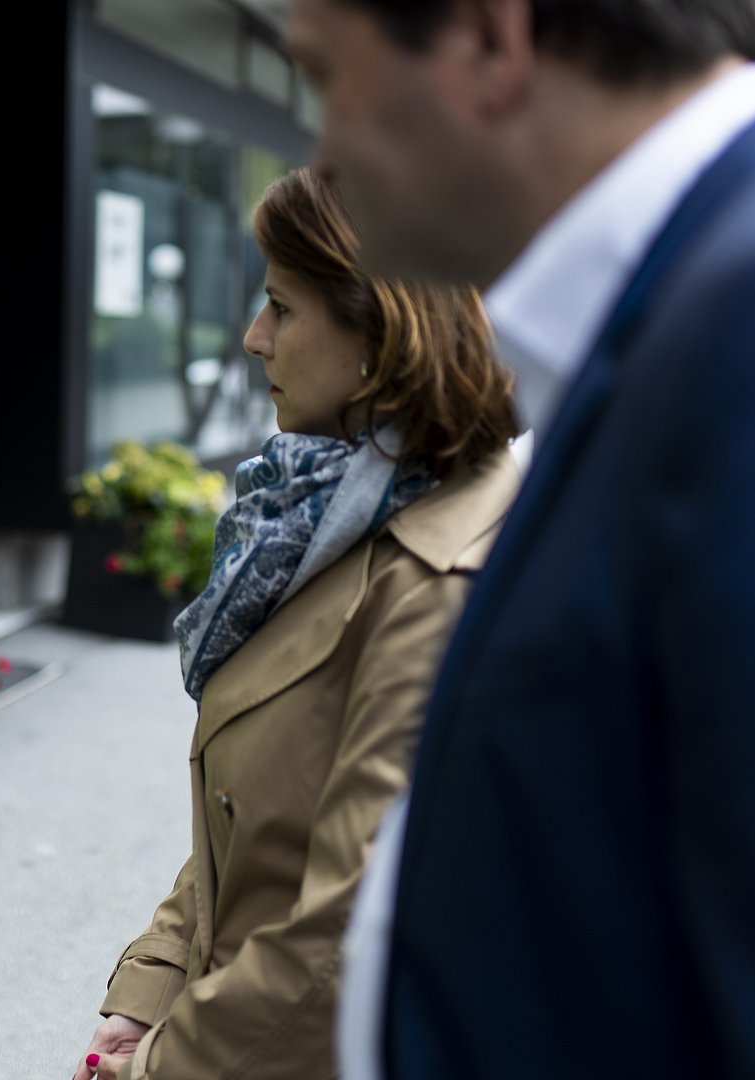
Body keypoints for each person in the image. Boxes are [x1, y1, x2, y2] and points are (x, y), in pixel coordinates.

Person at [282, 1, 755, 1077]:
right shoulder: (667, 314)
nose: (322, 151)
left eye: (325, 77)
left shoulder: (730, 333)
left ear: (491, 39)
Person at [69, 167, 520, 1080]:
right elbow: (253, 830)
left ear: (378, 337)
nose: (253, 337)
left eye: (280, 307)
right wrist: (151, 987)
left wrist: (162, 1064)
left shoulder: (439, 577)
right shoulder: (327, 516)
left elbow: (346, 932)